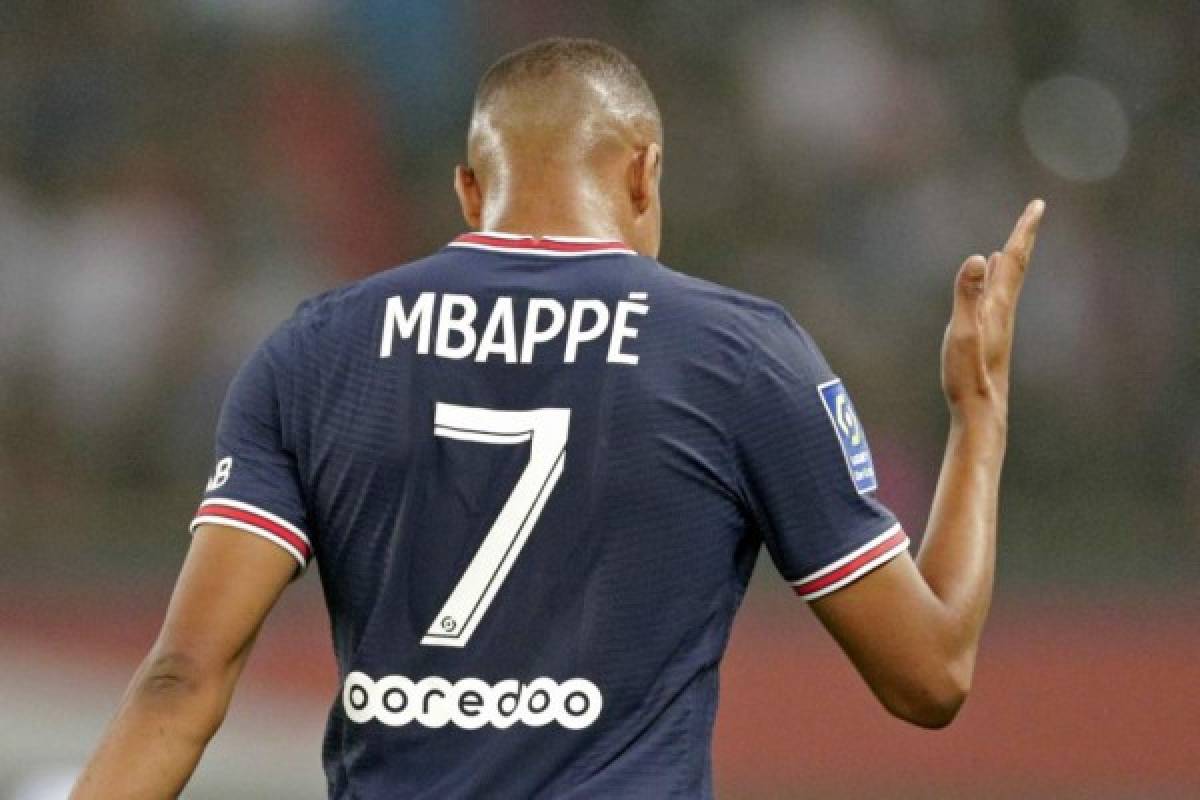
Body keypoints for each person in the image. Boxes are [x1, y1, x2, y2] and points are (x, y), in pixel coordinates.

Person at [72, 37, 1044, 799]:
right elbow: (931, 673)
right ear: (643, 174)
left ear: (467, 188)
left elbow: (181, 682)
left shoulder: (317, 351)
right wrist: (979, 414)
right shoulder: (738, 356)